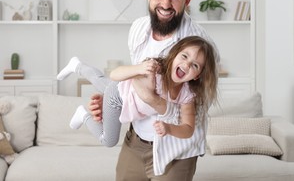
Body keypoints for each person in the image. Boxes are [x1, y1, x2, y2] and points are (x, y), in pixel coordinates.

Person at [88, 0, 220, 180]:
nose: (166, 4)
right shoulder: (138, 29)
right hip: (136, 141)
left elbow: (192, 111)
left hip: (176, 151)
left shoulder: (202, 46)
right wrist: (113, 99)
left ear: (187, 1)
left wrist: (153, 100)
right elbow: (137, 82)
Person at [57, 36, 218, 150]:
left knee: (100, 80)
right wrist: (139, 69)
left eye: (195, 65)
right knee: (109, 141)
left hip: (123, 93)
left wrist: (169, 129)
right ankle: (83, 115)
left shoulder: (187, 95)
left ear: (197, 75)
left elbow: (188, 128)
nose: (187, 64)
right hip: (118, 98)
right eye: (184, 56)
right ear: (174, 54)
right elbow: (115, 74)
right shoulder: (156, 70)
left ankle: (77, 65)